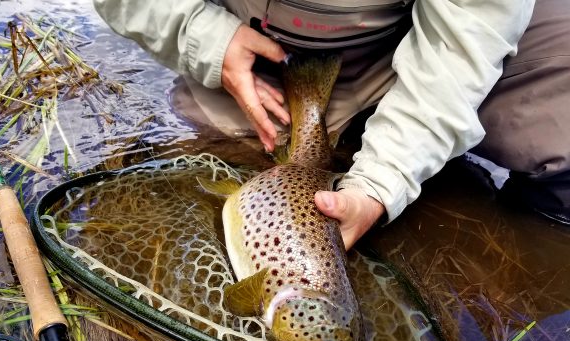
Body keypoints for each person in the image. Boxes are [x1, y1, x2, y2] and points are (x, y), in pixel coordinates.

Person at [93, 0, 570, 250]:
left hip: (433, 33)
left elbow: (463, 49)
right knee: (213, 168)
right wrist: (203, 37)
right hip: (256, 38)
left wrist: (381, 184)